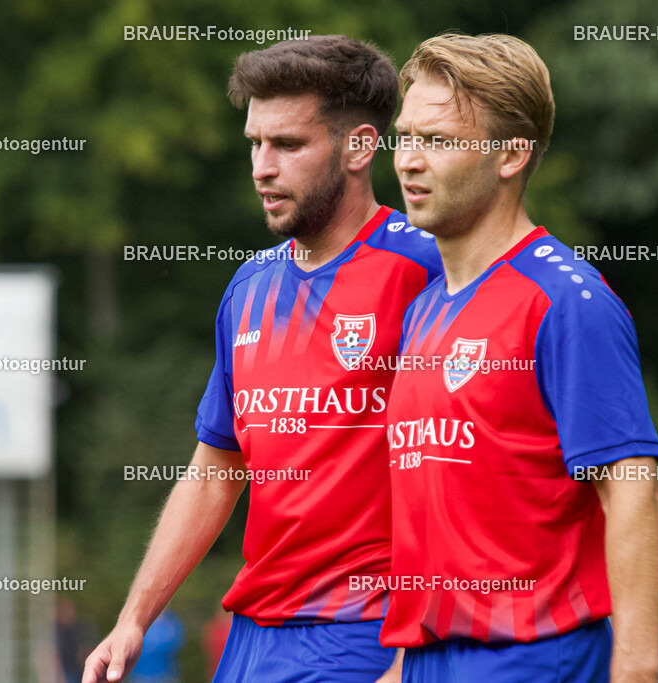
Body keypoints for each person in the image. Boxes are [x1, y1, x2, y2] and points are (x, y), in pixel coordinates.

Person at [83, 35, 442, 683]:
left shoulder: (428, 271)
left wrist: (421, 646)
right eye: (255, 143)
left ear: (360, 146)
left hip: (368, 632)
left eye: (289, 145)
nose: (262, 167)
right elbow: (218, 466)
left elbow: (478, 466)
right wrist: (134, 616)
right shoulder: (249, 288)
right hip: (252, 638)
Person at [380, 32, 658, 682]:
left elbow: (632, 490)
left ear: (512, 155)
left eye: (440, 140)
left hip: (535, 655)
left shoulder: (566, 302)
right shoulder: (424, 308)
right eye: (406, 136)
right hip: (431, 660)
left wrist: (637, 669)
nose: (409, 160)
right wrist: (405, 663)